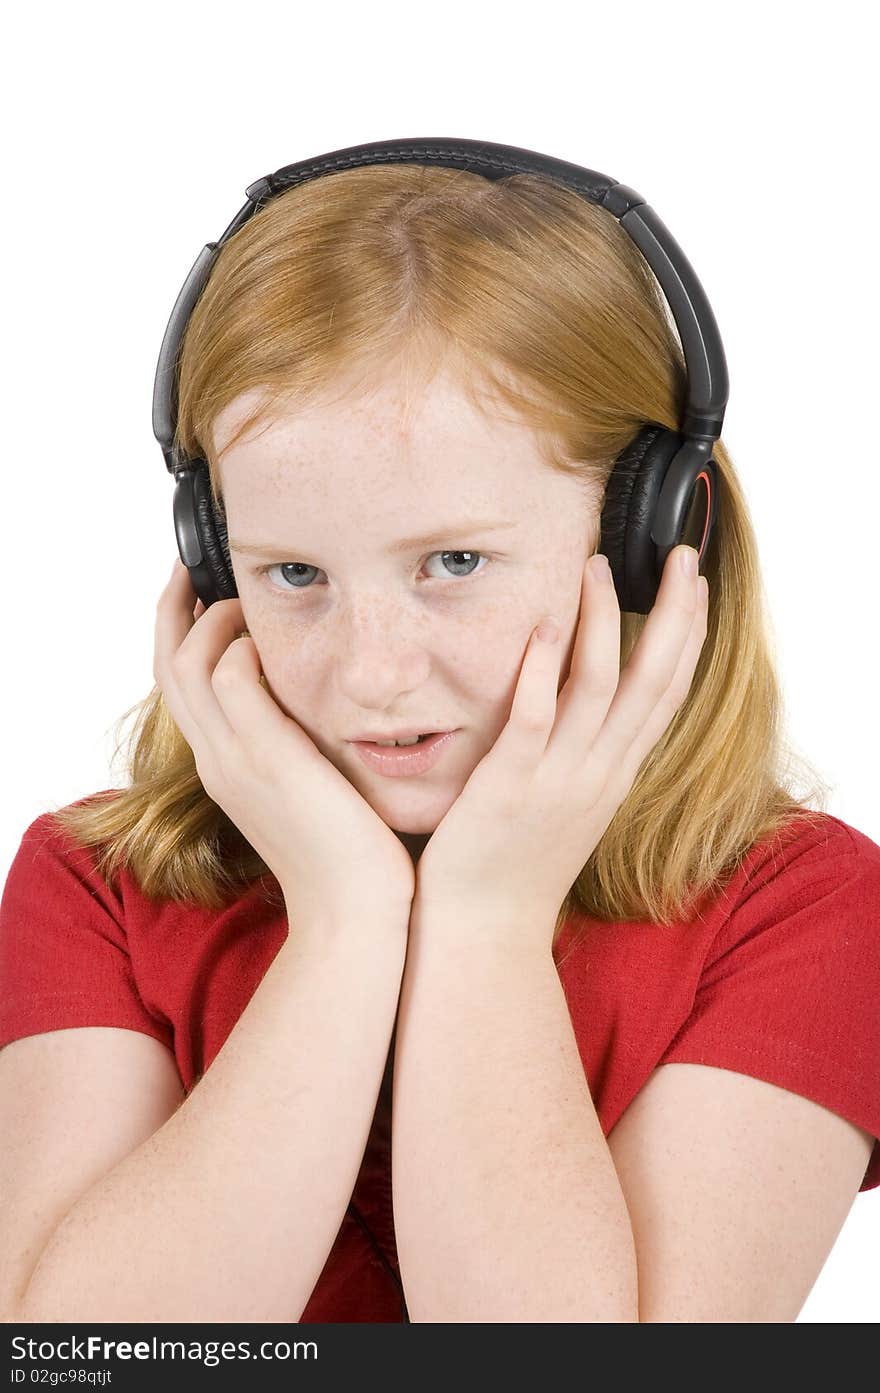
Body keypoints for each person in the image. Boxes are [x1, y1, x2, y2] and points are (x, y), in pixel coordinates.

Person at [1, 156, 878, 1326]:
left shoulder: (809, 912)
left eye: (453, 563)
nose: (370, 670)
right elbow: (83, 1359)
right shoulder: (93, 887)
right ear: (213, 565)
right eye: (294, 573)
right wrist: (346, 917)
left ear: (653, 536)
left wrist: (488, 919)